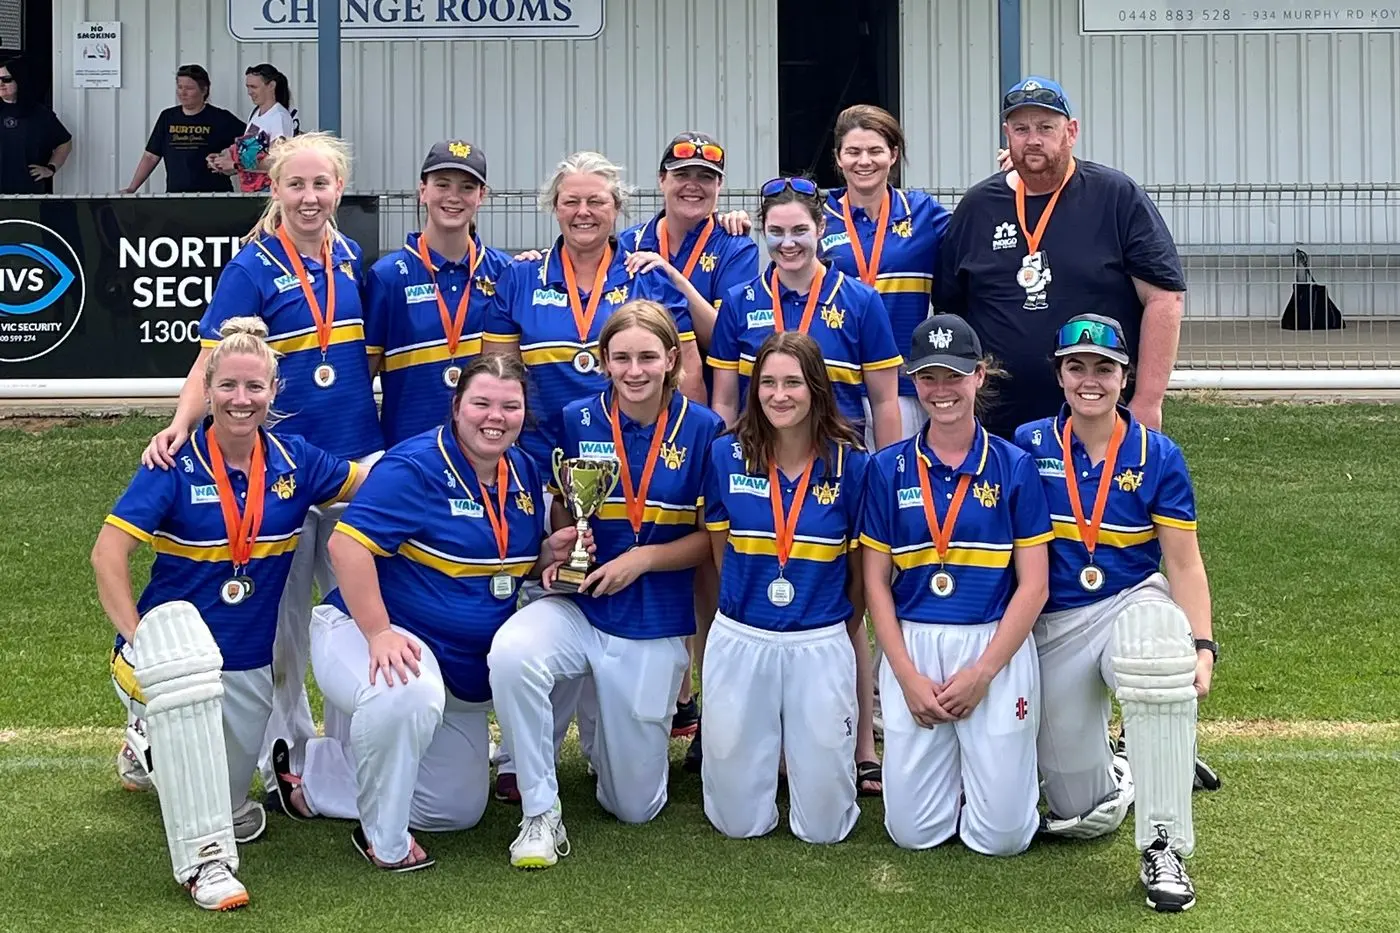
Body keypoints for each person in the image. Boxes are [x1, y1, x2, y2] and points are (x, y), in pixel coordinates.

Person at [265, 354, 586, 870]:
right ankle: (383, 839)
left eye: (510, 405)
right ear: (456, 407)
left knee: (455, 809)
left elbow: (504, 566)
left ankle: (319, 770)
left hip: (457, 667)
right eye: (481, 403)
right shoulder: (415, 466)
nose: (494, 417)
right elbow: (347, 549)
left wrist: (550, 556)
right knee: (407, 693)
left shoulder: (524, 471)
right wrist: (379, 633)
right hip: (364, 632)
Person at [139, 131, 385, 798]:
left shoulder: (351, 255)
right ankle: (286, 749)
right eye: (296, 185)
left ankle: (344, 747)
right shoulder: (251, 267)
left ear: (338, 189)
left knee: (355, 612)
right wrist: (179, 423)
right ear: (273, 189)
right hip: (278, 473)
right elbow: (210, 363)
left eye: (321, 185)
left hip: (353, 464)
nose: (309, 197)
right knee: (282, 624)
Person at [91, 317, 364, 911]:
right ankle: (205, 866)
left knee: (234, 803)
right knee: (211, 805)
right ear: (208, 390)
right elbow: (108, 552)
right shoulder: (173, 463)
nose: (242, 400)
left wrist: (452, 461)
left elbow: (369, 482)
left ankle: (148, 750)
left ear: (273, 392)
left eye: (255, 388)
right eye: (229, 387)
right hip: (165, 662)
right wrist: (138, 640)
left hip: (245, 663)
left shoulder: (298, 462)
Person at [487, 301, 723, 868]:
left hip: (651, 620)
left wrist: (642, 559)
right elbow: (568, 513)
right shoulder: (577, 418)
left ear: (671, 359)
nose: (634, 370)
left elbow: (710, 540)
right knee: (512, 653)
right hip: (580, 604)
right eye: (621, 358)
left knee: (632, 806)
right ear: (603, 361)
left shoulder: (704, 427)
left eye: (647, 357)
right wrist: (564, 544)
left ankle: (606, 735)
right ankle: (539, 810)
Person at [1014, 314, 1215, 912]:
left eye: (1104, 368)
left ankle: (1164, 846)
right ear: (1059, 374)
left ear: (1125, 377)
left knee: (1158, 652)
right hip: (1055, 620)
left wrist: (1202, 646)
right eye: (1076, 366)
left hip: (1132, 597)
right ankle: (1139, 763)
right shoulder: (1028, 443)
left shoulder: (1158, 454)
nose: (1090, 380)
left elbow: (1184, 563)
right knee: (1083, 813)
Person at [708, 175, 900, 792]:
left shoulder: (861, 299)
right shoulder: (739, 300)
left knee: (847, 605)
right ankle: (751, 735)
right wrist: (730, 455)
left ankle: (861, 736)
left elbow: (885, 400)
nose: (788, 243)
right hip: (761, 459)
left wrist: (892, 473)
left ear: (823, 231)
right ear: (763, 232)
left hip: (840, 468)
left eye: (800, 231)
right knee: (756, 586)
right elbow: (726, 395)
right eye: (776, 232)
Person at [861, 313, 1052, 855]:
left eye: (954, 375)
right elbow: (875, 583)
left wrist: (982, 674)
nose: (941, 391)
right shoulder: (886, 468)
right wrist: (904, 678)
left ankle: (996, 779)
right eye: (928, 377)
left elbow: (1033, 585)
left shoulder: (1015, 466)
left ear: (979, 376)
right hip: (915, 646)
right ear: (913, 381)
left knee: (1005, 840)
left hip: (992, 644)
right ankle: (967, 774)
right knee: (913, 834)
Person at [934, 76, 1185, 439]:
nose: (1033, 139)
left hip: (1096, 411)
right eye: (1021, 128)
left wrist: (1147, 401)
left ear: (1071, 131)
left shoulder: (1115, 197)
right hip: (996, 423)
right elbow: (951, 309)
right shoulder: (977, 207)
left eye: (1045, 127)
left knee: (1092, 498)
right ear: (1007, 134)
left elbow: (1164, 298)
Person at [617, 131, 760, 748]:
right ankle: (667, 701)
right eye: (682, 174)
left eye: (705, 176)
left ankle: (711, 699)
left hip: (710, 416)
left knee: (709, 561)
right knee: (645, 543)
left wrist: (674, 277)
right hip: (640, 410)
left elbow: (725, 331)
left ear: (720, 187)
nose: (693, 184)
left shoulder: (733, 243)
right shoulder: (627, 241)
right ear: (661, 179)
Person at [700, 330, 868, 844]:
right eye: (767, 383)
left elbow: (859, 571)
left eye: (793, 382)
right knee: (735, 822)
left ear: (817, 388)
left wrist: (835, 629)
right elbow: (719, 551)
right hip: (741, 634)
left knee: (824, 829)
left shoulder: (852, 464)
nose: (779, 394)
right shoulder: (725, 456)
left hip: (818, 639)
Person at [482, 150, 707, 472]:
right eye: (571, 201)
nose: (583, 212)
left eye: (596, 202)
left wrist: (689, 461)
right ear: (555, 208)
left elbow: (688, 378)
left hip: (642, 468)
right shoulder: (520, 278)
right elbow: (497, 377)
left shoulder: (650, 278)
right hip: (540, 467)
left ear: (616, 207)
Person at [364, 140, 512, 447]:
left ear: (481, 196)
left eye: (467, 187)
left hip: (484, 453)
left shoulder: (506, 272)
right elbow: (363, 377)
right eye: (442, 184)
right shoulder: (387, 276)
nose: (453, 197)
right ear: (423, 190)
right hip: (408, 452)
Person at [820, 104, 951, 448]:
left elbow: (980, 232)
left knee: (900, 489)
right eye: (853, 151)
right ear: (838, 157)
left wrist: (1014, 182)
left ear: (893, 155)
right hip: (836, 385)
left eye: (875, 150)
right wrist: (730, 220)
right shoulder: (819, 218)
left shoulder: (924, 213)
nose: (864, 161)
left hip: (904, 385)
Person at [121, 64, 245, 194]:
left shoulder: (221, 118)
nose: (183, 93)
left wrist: (232, 162)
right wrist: (132, 188)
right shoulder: (167, 117)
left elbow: (252, 144)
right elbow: (151, 156)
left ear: (204, 90)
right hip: (176, 196)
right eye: (179, 87)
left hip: (214, 195)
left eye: (189, 88)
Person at [209, 63, 299, 192]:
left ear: (271, 86)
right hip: (252, 189)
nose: (249, 92)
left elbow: (277, 160)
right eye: (248, 87)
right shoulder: (255, 113)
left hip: (269, 190)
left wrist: (235, 165)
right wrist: (221, 158)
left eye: (254, 87)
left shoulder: (279, 117)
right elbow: (247, 150)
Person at [0, 57, 72, 195]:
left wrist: (50, 168)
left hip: (28, 191)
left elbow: (65, 142)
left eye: (6, 79)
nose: (1, 84)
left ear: (19, 80)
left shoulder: (39, 113)